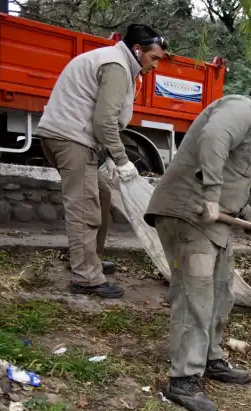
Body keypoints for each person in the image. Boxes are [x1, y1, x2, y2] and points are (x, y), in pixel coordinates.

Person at [144, 76, 251, 411]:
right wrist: (212, 195)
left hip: (211, 221)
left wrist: (246, 211)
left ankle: (210, 359)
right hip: (189, 213)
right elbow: (214, 138)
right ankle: (183, 379)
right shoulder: (241, 108)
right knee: (195, 296)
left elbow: (232, 172)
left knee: (221, 290)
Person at [38, 24, 167, 299]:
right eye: (153, 58)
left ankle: (88, 260)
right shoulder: (117, 66)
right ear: (137, 50)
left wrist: (109, 156)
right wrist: (121, 160)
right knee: (85, 208)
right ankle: (85, 277)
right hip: (71, 139)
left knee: (101, 194)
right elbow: (104, 121)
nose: (155, 65)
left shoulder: (115, 60)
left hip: (68, 137)